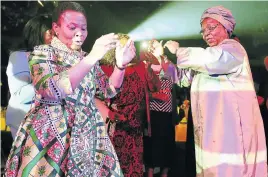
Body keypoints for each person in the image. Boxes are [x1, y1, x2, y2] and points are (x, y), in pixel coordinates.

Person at [5, 2, 135, 176]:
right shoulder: (43, 53)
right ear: (56, 28)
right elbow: (51, 89)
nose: (79, 33)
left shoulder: (87, 58)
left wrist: (120, 66)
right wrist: (93, 57)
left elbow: (109, 90)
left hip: (88, 134)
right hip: (52, 133)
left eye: (83, 28)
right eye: (72, 27)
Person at [164, 6, 267, 177]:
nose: (207, 34)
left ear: (226, 28)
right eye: (203, 31)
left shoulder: (232, 49)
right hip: (210, 131)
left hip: (230, 131)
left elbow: (212, 60)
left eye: (212, 28)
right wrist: (162, 61)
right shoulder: (205, 59)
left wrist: (178, 51)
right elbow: (182, 78)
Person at [95, 34, 161, 177]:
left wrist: (149, 69)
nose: (132, 49)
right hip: (116, 127)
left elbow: (155, 87)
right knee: (115, 166)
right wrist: (110, 113)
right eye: (127, 46)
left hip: (135, 129)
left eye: (132, 45)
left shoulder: (140, 66)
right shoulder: (106, 68)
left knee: (134, 167)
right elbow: (96, 97)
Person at [6, 14, 54, 138]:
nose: (55, 38)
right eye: (51, 33)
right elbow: (20, 95)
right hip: (23, 120)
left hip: (48, 121)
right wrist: (51, 80)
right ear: (37, 32)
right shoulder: (19, 57)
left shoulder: (53, 57)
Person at [143, 40, 178, 177]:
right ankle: (150, 172)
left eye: (156, 43)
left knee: (168, 141)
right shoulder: (147, 65)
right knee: (153, 142)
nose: (154, 46)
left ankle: (165, 172)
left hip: (168, 110)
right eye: (152, 45)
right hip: (153, 110)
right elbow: (143, 90)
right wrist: (155, 95)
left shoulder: (168, 64)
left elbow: (176, 80)